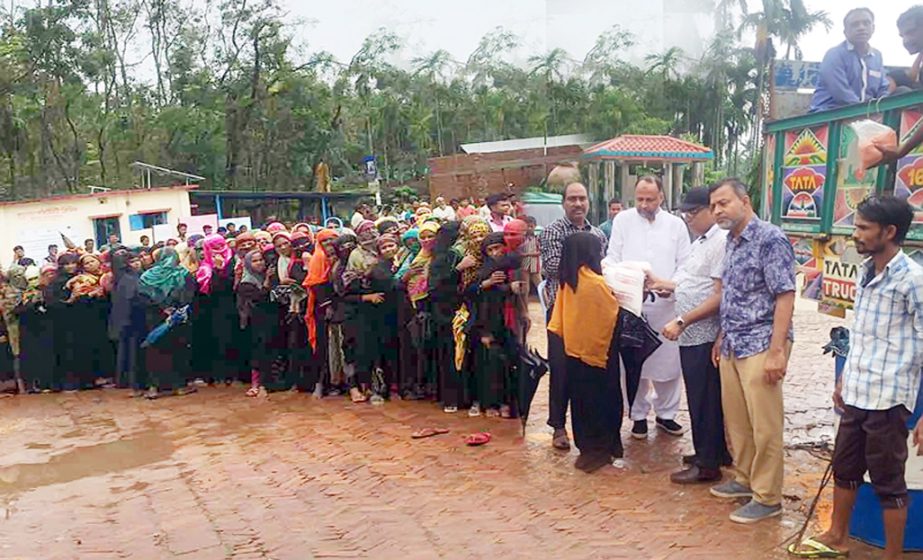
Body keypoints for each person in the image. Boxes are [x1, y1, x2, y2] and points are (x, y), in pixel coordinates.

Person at [790, 196, 923, 559]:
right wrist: (844, 377)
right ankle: (837, 536)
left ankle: (892, 554)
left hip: (889, 399)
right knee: (845, 468)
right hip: (857, 392)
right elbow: (863, 332)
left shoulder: (913, 280)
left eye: (864, 228)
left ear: (890, 232)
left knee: (888, 480)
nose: (855, 234)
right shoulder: (866, 271)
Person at [707, 178, 796, 524]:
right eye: (714, 205)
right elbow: (732, 293)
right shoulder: (731, 240)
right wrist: (721, 336)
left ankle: (768, 496)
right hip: (733, 342)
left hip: (762, 342)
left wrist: (777, 351)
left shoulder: (770, 239)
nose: (718, 211)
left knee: (765, 425)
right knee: (739, 421)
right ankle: (744, 478)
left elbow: (785, 294)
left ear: (745, 201)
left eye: (724, 203)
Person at [646, 187, 731, 484]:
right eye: (685, 213)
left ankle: (708, 464)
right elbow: (691, 283)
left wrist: (682, 320)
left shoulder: (720, 242)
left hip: (703, 334)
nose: (688, 219)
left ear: (710, 209)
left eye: (693, 212)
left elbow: (718, 296)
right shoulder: (701, 241)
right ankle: (711, 451)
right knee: (702, 398)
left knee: (704, 399)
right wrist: (662, 283)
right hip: (692, 334)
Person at [605, 176, 690, 440]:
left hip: (667, 306)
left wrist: (670, 284)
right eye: (639, 199)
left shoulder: (676, 225)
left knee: (669, 364)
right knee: (634, 363)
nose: (643, 204)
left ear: (661, 197)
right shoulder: (623, 221)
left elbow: (686, 264)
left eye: (649, 199)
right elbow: (612, 258)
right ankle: (638, 415)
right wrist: (620, 279)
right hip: (633, 307)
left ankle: (666, 414)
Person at [539, 182, 608, 450]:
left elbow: (604, 266)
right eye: (572, 199)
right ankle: (558, 426)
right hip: (562, 314)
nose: (578, 204)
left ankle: (589, 425)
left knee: (588, 370)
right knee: (561, 370)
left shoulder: (598, 234)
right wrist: (589, 268)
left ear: (589, 201)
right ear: (563, 202)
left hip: (591, 316)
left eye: (582, 199)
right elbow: (553, 267)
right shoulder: (552, 232)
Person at [547, 231, 623, 473]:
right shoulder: (595, 284)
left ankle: (587, 450)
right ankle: (601, 452)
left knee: (581, 405)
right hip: (599, 357)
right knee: (603, 403)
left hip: (574, 354)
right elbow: (612, 317)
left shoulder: (568, 281)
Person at [809, 8, 889, 113]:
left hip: (865, 116)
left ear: (873, 28)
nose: (861, 28)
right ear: (845, 32)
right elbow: (841, 93)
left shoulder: (877, 57)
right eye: (855, 24)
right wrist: (865, 113)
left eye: (866, 23)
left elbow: (883, 89)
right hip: (830, 115)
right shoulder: (834, 55)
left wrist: (882, 107)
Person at [519, 216, 542, 297]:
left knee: (541, 287)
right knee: (525, 288)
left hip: (535, 265)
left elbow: (541, 251)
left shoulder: (538, 237)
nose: (529, 228)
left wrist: (527, 254)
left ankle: (548, 305)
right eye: (527, 226)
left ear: (535, 226)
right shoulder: (521, 238)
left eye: (531, 226)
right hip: (524, 265)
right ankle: (525, 307)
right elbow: (518, 251)